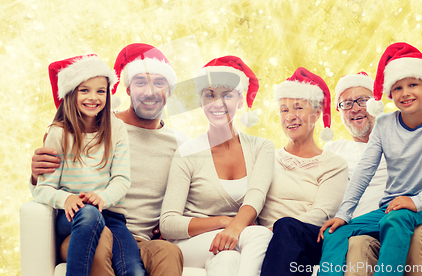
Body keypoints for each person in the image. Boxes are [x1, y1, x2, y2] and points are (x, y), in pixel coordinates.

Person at [30, 43, 187, 276]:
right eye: (141, 82)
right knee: (100, 236)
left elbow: (195, 197)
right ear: (126, 89)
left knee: (168, 251)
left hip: (134, 235)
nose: (150, 91)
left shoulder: (180, 144)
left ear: (170, 91)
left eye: (159, 83)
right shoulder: (93, 123)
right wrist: (35, 174)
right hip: (85, 230)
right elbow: (47, 182)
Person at [318, 42, 422, 276]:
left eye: (413, 84)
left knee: (396, 220)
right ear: (389, 95)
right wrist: (343, 215)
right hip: (391, 208)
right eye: (397, 88)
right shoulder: (384, 126)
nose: (405, 92)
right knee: (337, 232)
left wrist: (416, 201)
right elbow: (364, 171)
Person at [160, 56, 274, 276]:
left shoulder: (261, 148)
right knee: (259, 235)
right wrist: (226, 223)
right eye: (209, 95)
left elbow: (256, 195)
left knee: (228, 258)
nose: (218, 103)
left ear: (240, 100)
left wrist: (234, 228)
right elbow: (168, 222)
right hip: (191, 243)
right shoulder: (187, 153)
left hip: (236, 238)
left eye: (227, 95)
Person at [33, 54, 145, 276]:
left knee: (133, 269)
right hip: (73, 216)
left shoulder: (117, 128)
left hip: (111, 214)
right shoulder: (58, 133)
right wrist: (67, 198)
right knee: (89, 213)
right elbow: (43, 189)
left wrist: (102, 197)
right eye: (84, 90)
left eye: (100, 91)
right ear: (71, 93)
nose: (93, 97)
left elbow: (122, 179)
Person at [259, 67, 349, 276]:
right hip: (265, 235)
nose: (290, 116)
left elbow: (322, 213)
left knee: (287, 227)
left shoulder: (334, 164)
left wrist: (279, 229)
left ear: (317, 114)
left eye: (298, 108)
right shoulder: (266, 156)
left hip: (309, 238)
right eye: (284, 110)